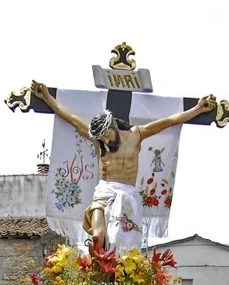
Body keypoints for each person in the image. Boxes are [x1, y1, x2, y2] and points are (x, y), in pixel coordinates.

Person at [31, 81, 216, 252]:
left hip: (127, 194)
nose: (103, 139)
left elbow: (170, 121)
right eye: (100, 136)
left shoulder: (136, 134)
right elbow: (71, 118)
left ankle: (114, 281)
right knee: (97, 238)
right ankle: (95, 279)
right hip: (103, 193)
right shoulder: (99, 141)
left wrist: (198, 108)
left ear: (112, 126)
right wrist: (46, 97)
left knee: (123, 248)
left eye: (105, 135)